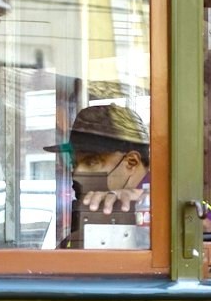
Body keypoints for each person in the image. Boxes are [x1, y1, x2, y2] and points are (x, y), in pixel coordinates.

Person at [49, 103, 150, 249]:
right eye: (74, 164)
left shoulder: (161, 206)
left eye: (91, 162)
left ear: (131, 162)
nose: (76, 174)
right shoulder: (94, 213)